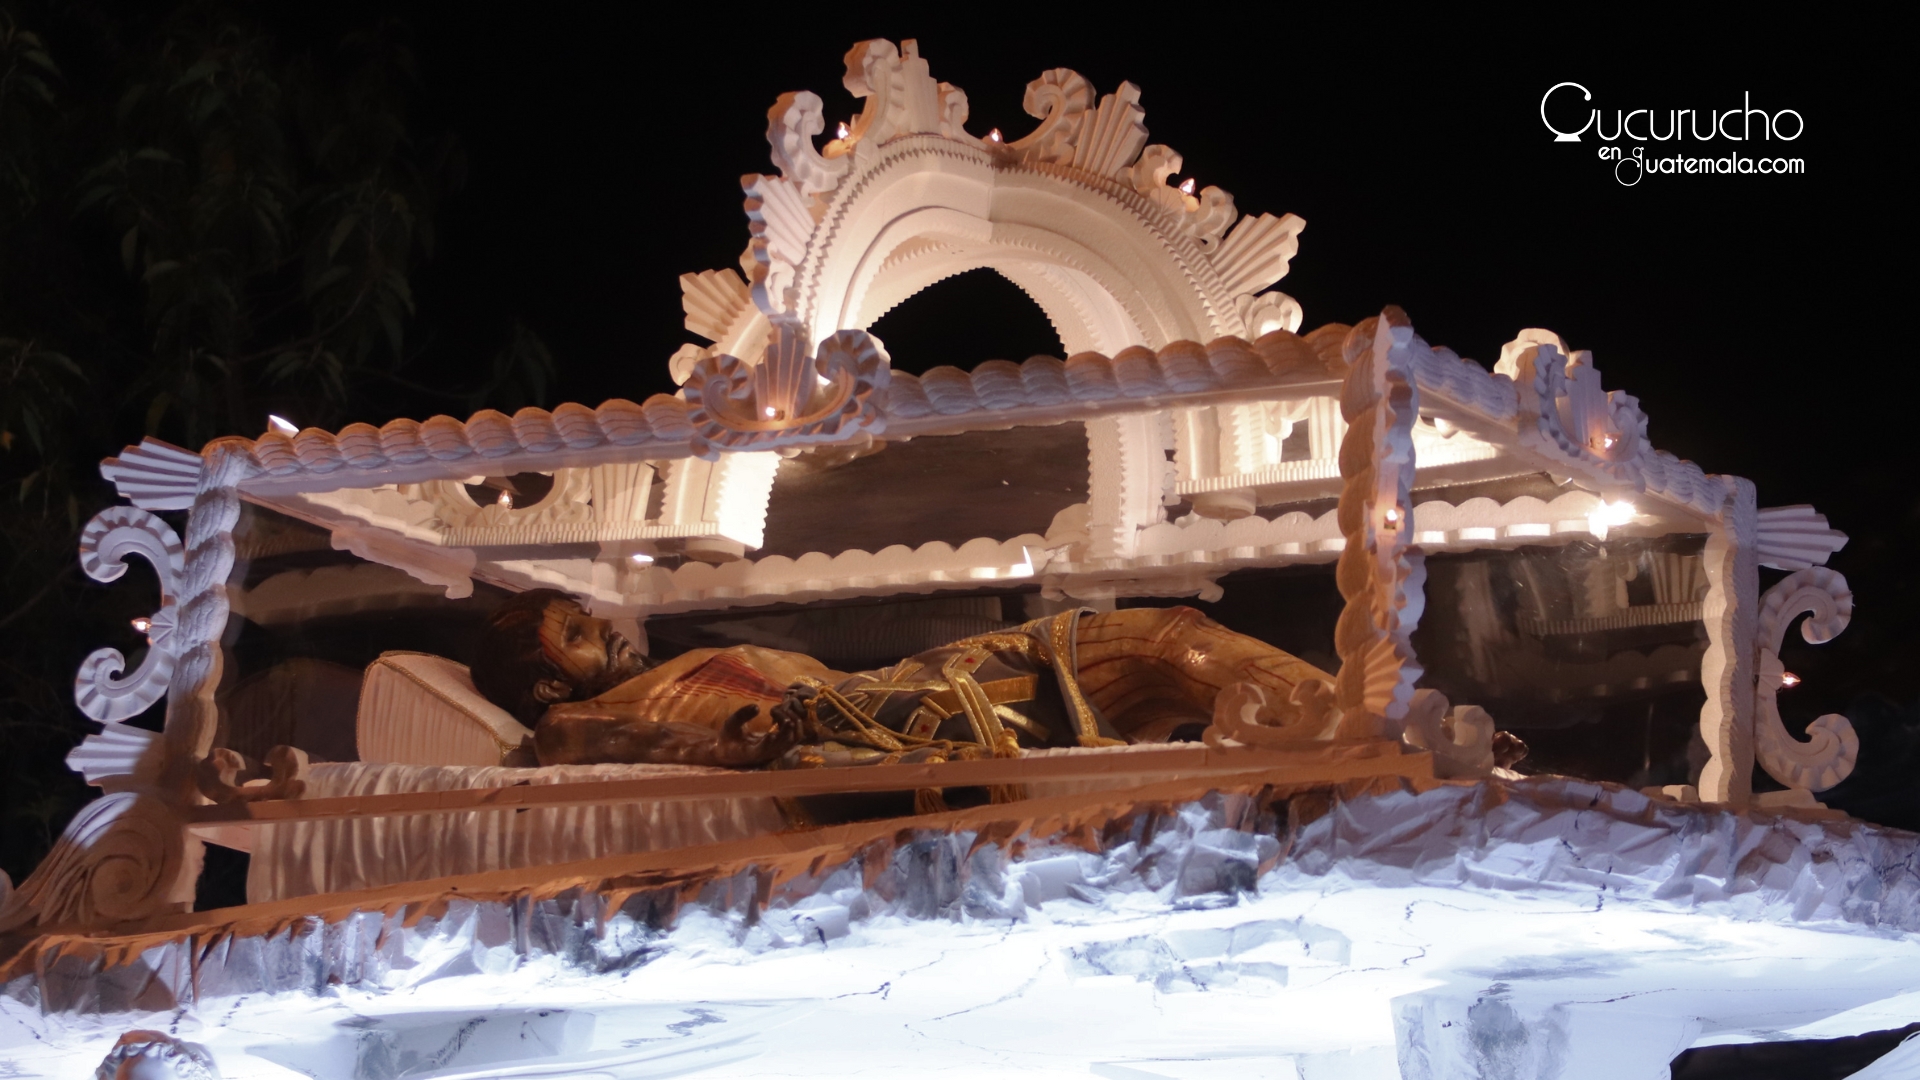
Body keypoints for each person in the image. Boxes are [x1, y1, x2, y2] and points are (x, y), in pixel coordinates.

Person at [471, 589, 1339, 769]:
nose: (610, 635)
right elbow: (673, 740)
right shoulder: (568, 727)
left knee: (1160, 643)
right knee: (1150, 648)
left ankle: (1351, 723)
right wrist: (733, 743)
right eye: (580, 637)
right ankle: (1349, 735)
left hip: (894, 689)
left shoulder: (679, 662)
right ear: (552, 686)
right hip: (879, 717)